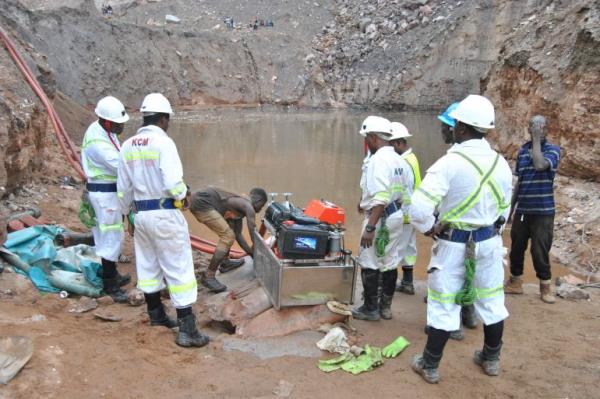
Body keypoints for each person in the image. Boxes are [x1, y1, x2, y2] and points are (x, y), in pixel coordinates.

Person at [409, 95, 512, 383]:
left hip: (454, 244)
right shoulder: (501, 163)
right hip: (489, 242)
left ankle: (429, 364)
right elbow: (505, 208)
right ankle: (491, 358)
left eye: (455, 124)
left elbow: (417, 208)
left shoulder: (449, 162)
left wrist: (430, 228)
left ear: (463, 128)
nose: (453, 129)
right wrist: (492, 232)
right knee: (492, 302)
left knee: (443, 304)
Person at [117, 93, 208, 348]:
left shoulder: (127, 145)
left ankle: (156, 315)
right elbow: (172, 183)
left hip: (141, 215)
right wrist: (183, 194)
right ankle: (187, 329)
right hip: (164, 213)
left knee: (148, 266)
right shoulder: (163, 143)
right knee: (179, 268)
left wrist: (128, 217)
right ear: (164, 119)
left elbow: (123, 190)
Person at [352, 116, 410, 321]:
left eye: (367, 137)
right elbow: (404, 193)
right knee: (389, 261)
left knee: (369, 262)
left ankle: (370, 309)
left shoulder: (377, 160)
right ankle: (385, 307)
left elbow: (381, 197)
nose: (367, 142)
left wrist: (370, 227)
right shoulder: (399, 159)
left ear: (374, 137)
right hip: (395, 216)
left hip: (379, 218)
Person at [431, 103, 480, 340]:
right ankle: (469, 313)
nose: (441, 130)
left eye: (444, 125)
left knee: (450, 276)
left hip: (454, 228)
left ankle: (453, 325)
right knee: (468, 271)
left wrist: (433, 224)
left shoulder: (453, 159)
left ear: (456, 128)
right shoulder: (482, 158)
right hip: (479, 230)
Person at [505, 115, 561, 303]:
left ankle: (545, 287)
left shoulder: (553, 150)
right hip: (523, 211)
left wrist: (536, 141)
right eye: (533, 127)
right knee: (517, 248)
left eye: (541, 127)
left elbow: (539, 165)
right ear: (528, 129)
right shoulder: (522, 152)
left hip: (543, 212)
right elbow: (519, 183)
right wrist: (510, 210)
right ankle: (515, 282)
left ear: (547, 130)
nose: (537, 130)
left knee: (539, 250)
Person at [81, 96, 130, 303]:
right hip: (104, 194)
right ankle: (110, 283)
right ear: (108, 122)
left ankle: (112, 274)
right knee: (111, 238)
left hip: (107, 193)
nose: (122, 127)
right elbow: (122, 167)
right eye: (120, 124)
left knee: (109, 235)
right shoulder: (99, 143)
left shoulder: (102, 130)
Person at [190, 186, 268, 293]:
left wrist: (252, 255)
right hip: (201, 204)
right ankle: (209, 276)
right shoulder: (247, 206)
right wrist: (260, 256)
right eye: (262, 205)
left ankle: (225, 263)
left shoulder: (240, 206)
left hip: (203, 201)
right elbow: (253, 234)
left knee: (231, 233)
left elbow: (238, 235)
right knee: (227, 236)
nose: (260, 209)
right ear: (258, 200)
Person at [389, 122, 420, 296]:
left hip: (405, 213)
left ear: (400, 143)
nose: (390, 148)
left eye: (392, 144)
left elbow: (404, 190)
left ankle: (387, 286)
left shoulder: (403, 162)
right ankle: (408, 282)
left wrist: (399, 212)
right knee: (409, 248)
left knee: (396, 250)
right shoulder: (412, 158)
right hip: (413, 212)